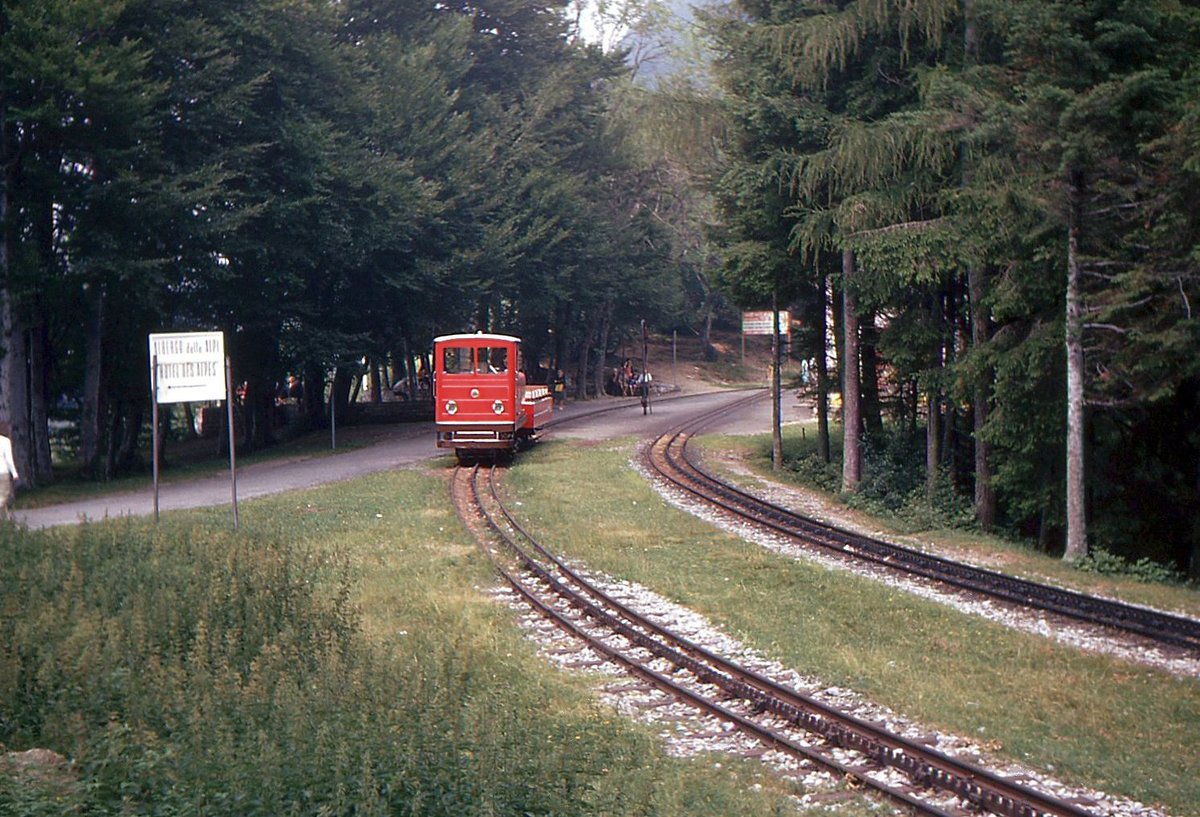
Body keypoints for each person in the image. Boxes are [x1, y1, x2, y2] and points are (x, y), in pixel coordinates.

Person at [0, 422, 18, 512]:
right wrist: (14, 473)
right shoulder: (5, 441)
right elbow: (9, 459)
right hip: (3, 471)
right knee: (4, 495)